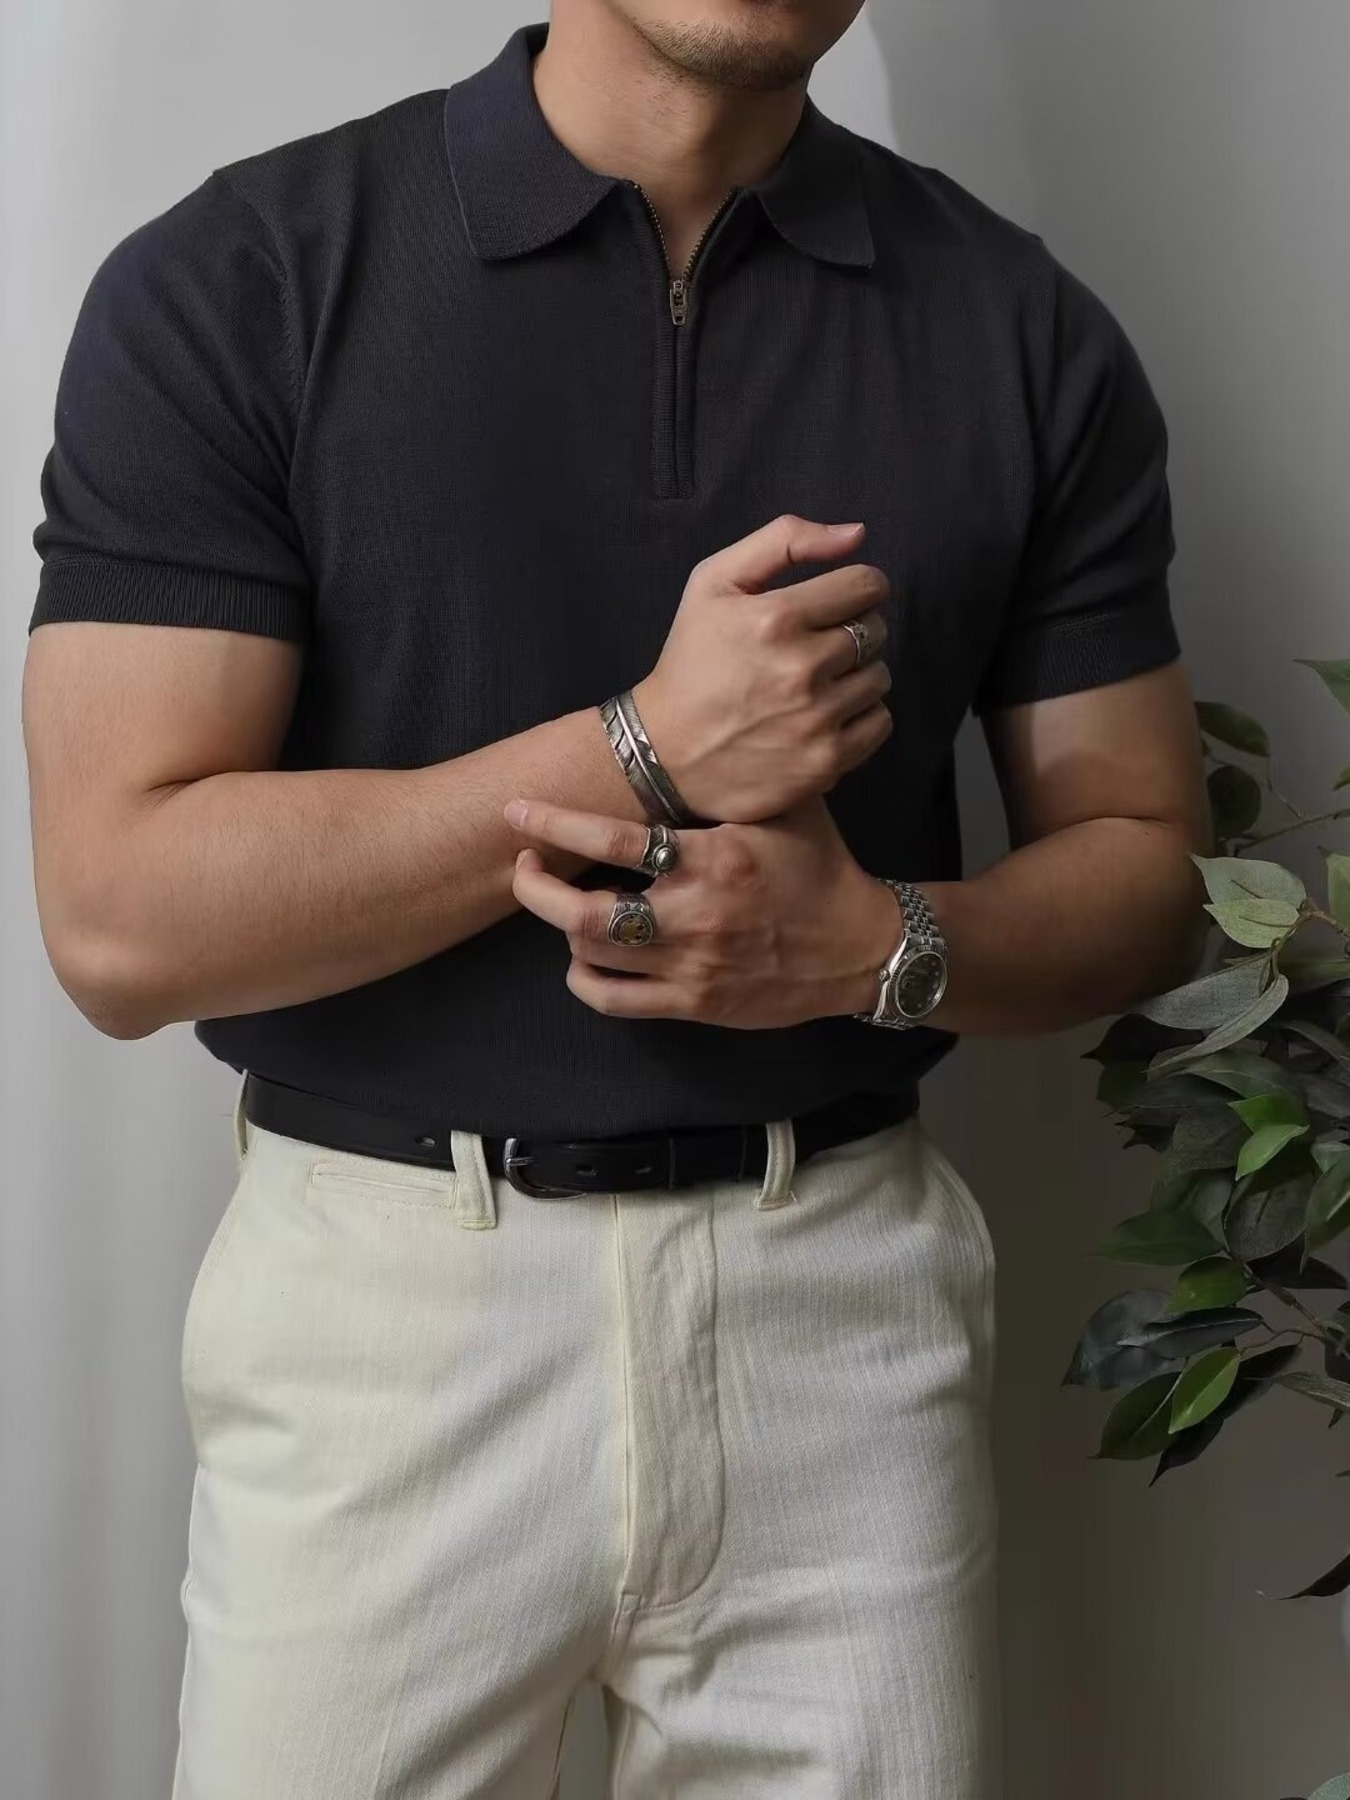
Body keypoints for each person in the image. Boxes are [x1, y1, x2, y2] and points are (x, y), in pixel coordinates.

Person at [21, 2, 1210, 1795]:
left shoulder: (1014, 323)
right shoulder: (245, 276)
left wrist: (873, 944)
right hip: (390, 1305)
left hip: (842, 1308)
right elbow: (119, 924)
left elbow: (1147, 871)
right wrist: (643, 747)